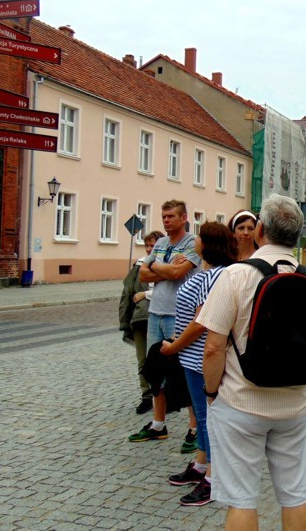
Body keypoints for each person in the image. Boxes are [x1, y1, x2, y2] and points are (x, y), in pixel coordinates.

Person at [199, 195, 306, 530]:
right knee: (295, 494)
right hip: (294, 406)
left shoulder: (234, 276)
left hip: (241, 402)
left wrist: (211, 393)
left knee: (242, 499)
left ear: (259, 230)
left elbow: (213, 348)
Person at [160, 222, 237, 506]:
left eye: (199, 236)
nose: (195, 240)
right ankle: (201, 464)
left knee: (207, 419)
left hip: (199, 355)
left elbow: (202, 321)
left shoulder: (214, 276)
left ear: (206, 243)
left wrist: (175, 346)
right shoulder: (210, 272)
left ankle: (213, 479)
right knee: (203, 415)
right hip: (192, 356)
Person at [128, 200, 201, 452]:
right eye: (164, 216)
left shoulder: (192, 243)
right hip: (156, 312)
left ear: (184, 218)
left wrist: (156, 267)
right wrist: (166, 268)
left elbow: (177, 274)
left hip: (178, 314)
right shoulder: (160, 243)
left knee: (185, 372)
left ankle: (194, 429)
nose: (166, 220)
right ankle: (158, 424)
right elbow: (143, 274)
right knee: (154, 370)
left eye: (171, 216)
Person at [119, 230, 164, 414]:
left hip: (163, 317)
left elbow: (171, 292)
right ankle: (146, 396)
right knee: (143, 360)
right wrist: (125, 321)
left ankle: (163, 396)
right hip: (141, 318)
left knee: (162, 360)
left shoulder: (169, 266)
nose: (149, 249)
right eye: (147, 245)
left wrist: (145, 294)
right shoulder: (139, 266)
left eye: (153, 245)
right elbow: (127, 294)